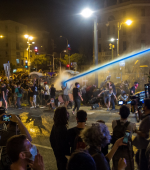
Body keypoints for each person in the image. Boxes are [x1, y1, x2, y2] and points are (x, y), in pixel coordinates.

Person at [112, 105, 136, 170]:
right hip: (127, 150)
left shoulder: (114, 122)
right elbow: (134, 130)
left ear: (119, 113)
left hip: (116, 149)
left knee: (116, 166)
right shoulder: (132, 125)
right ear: (128, 114)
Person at [133, 98, 150, 170]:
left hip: (145, 147)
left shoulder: (148, 118)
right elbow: (141, 117)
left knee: (143, 165)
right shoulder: (146, 116)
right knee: (137, 158)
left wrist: (135, 131)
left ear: (146, 107)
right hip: (142, 146)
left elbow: (146, 135)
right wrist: (137, 108)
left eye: (143, 105)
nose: (142, 106)